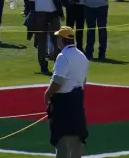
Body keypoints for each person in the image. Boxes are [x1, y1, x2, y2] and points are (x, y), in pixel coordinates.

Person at [47, 27, 88, 158]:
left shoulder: (63, 56)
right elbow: (84, 80)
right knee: (76, 141)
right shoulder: (82, 56)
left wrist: (47, 94)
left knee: (61, 142)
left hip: (63, 102)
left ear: (62, 40)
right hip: (77, 100)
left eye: (58, 37)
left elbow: (58, 82)